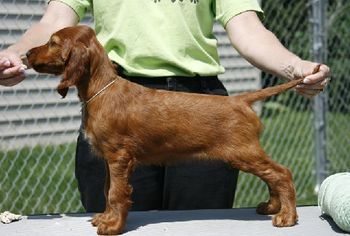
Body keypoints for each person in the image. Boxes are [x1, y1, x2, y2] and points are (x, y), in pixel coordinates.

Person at [0, 0, 330, 212]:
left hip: (199, 105)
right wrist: (15, 52)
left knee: (202, 228)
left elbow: (248, 29)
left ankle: (280, 191)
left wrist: (294, 67)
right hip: (116, 100)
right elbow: (54, 21)